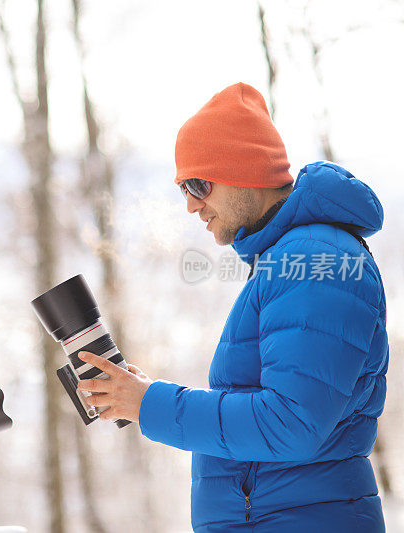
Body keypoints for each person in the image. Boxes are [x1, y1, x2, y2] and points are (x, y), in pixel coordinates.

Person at [77, 83, 387, 531]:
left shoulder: (319, 261)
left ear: (246, 171)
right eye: (184, 187)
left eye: (199, 184)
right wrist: (144, 396)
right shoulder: (289, 259)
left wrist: (152, 405)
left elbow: (292, 423)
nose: (190, 205)